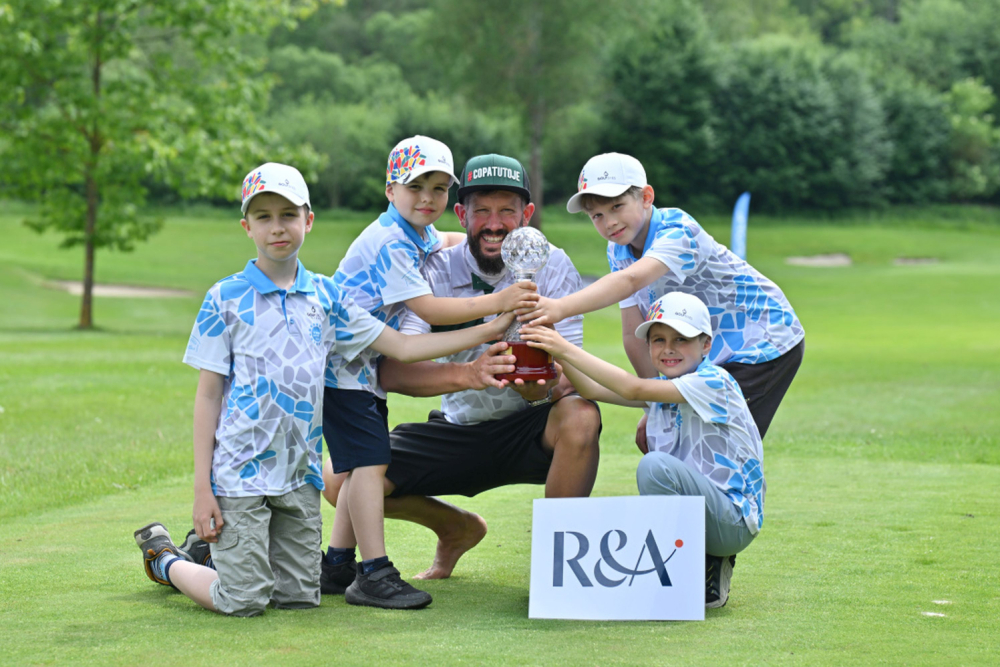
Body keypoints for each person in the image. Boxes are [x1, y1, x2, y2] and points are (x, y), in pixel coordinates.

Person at [133, 162, 514, 615]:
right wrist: (203, 487)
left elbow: (404, 346)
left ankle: (214, 553)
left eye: (289, 215)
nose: (278, 228)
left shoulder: (327, 297)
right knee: (243, 600)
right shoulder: (224, 298)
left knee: (299, 597)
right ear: (246, 226)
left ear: (308, 221)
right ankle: (167, 560)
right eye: (264, 217)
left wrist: (496, 324)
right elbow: (208, 394)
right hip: (239, 475)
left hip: (300, 476)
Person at [321, 154, 602, 585]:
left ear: (527, 214)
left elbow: (572, 374)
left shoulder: (553, 263)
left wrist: (539, 392)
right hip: (457, 425)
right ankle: (454, 527)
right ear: (461, 214)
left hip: (530, 426)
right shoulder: (433, 267)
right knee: (340, 481)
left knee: (582, 417)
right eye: (481, 211)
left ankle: (558, 573)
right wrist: (471, 373)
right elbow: (394, 372)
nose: (494, 223)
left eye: (507, 210)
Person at [521, 152, 804, 443]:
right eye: (597, 215)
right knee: (657, 433)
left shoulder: (678, 230)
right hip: (710, 351)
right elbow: (633, 333)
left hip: (764, 341)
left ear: (646, 197)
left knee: (719, 444)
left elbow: (630, 281)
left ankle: (734, 491)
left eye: (617, 206)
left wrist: (558, 308)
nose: (609, 222)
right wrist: (655, 401)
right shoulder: (618, 250)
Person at [521, 291, 763, 608]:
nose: (668, 349)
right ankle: (699, 564)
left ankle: (688, 572)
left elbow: (631, 386)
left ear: (706, 345)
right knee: (656, 466)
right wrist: (554, 343)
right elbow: (592, 388)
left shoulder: (714, 382)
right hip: (706, 515)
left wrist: (563, 347)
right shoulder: (664, 387)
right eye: (658, 340)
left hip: (733, 521)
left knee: (655, 466)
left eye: (681, 339)